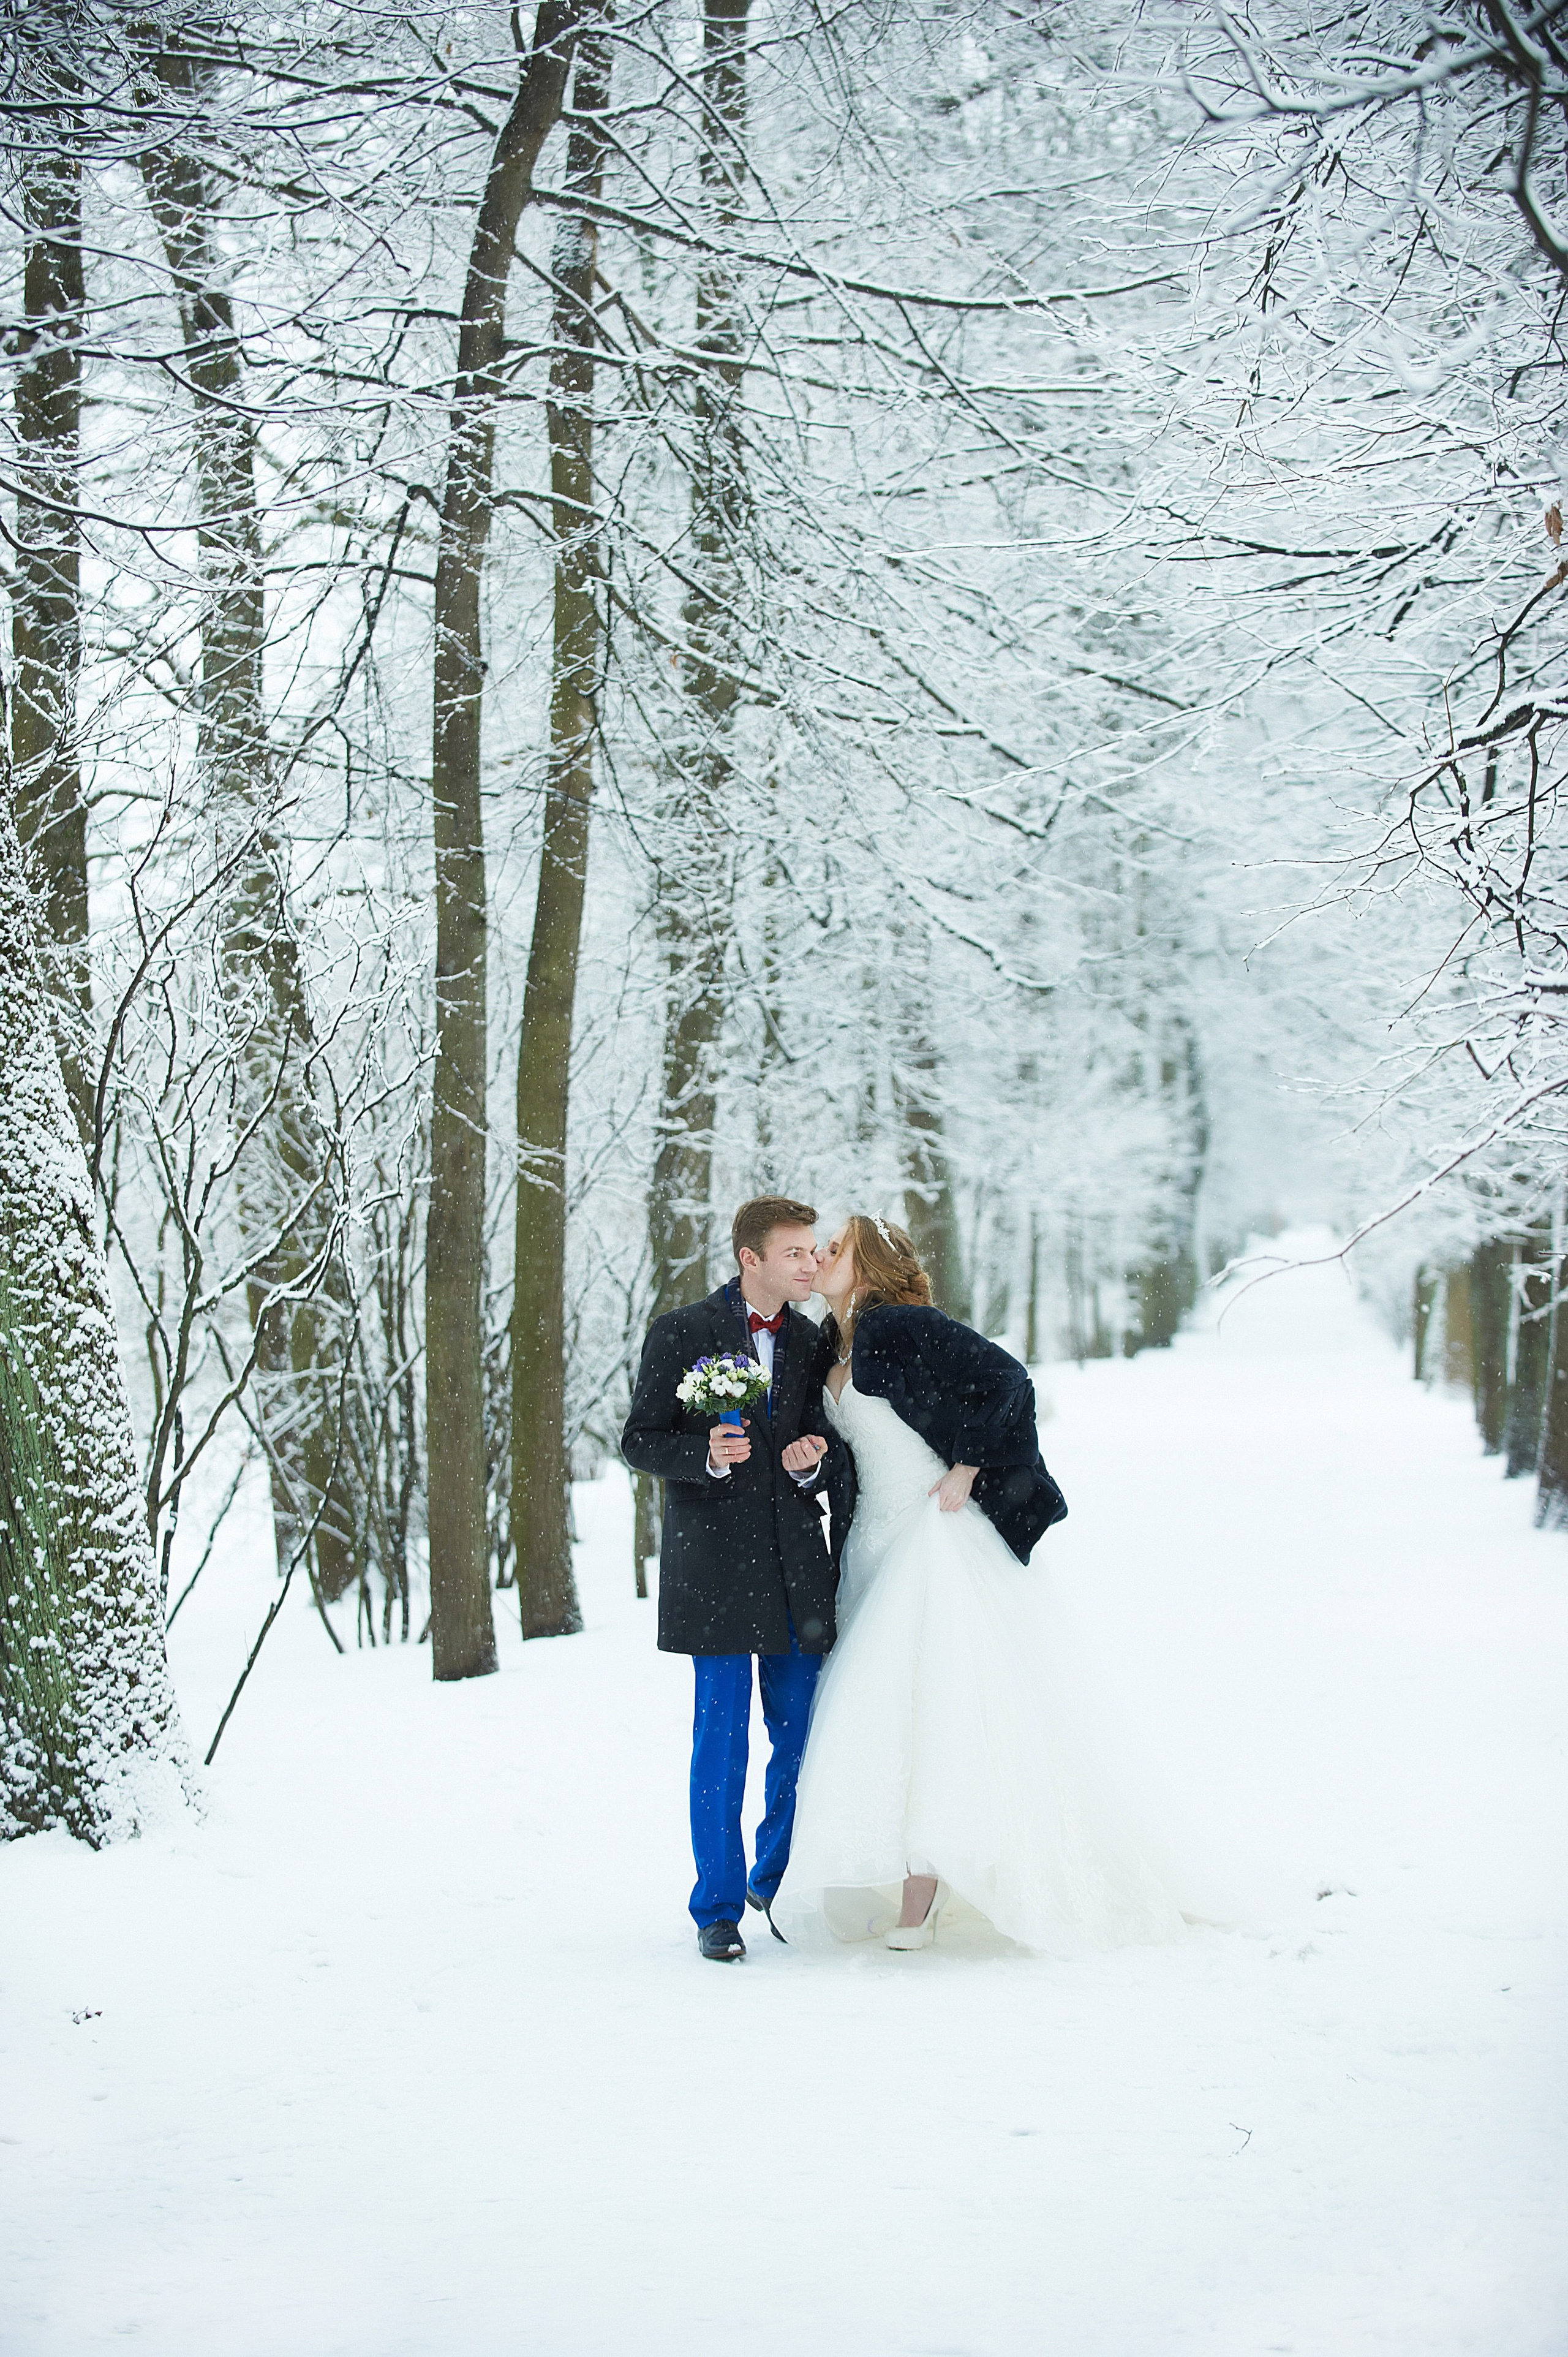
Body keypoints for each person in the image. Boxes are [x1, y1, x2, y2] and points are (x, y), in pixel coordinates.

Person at [771, 1214, 1205, 1955]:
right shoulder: (828, 1347)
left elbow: (1006, 1379)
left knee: (933, 1716)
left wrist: (969, 1465)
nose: (819, 1256)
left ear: (866, 1266)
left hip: (930, 1538)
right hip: (869, 1546)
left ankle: (920, 1900)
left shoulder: (901, 1325)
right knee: (882, 1721)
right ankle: (899, 1879)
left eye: (834, 1248)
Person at [621, 1196, 855, 1962]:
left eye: (814, 1251)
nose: (811, 1264)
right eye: (795, 1253)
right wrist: (705, 1455)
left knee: (802, 1735)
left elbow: (836, 1446)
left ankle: (774, 1878)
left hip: (795, 1566)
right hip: (714, 1568)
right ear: (750, 1258)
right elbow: (640, 1439)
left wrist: (814, 1462)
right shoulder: (681, 1332)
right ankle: (717, 1909)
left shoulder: (817, 1340)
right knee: (720, 1742)